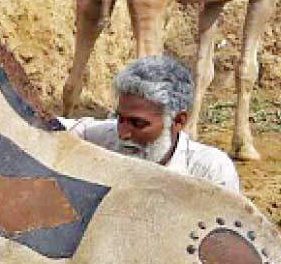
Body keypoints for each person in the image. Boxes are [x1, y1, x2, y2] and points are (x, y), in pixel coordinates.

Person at [59, 55, 241, 193]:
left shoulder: (211, 172)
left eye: (137, 123)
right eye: (119, 119)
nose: (123, 133)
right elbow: (58, 127)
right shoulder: (107, 138)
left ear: (178, 121)